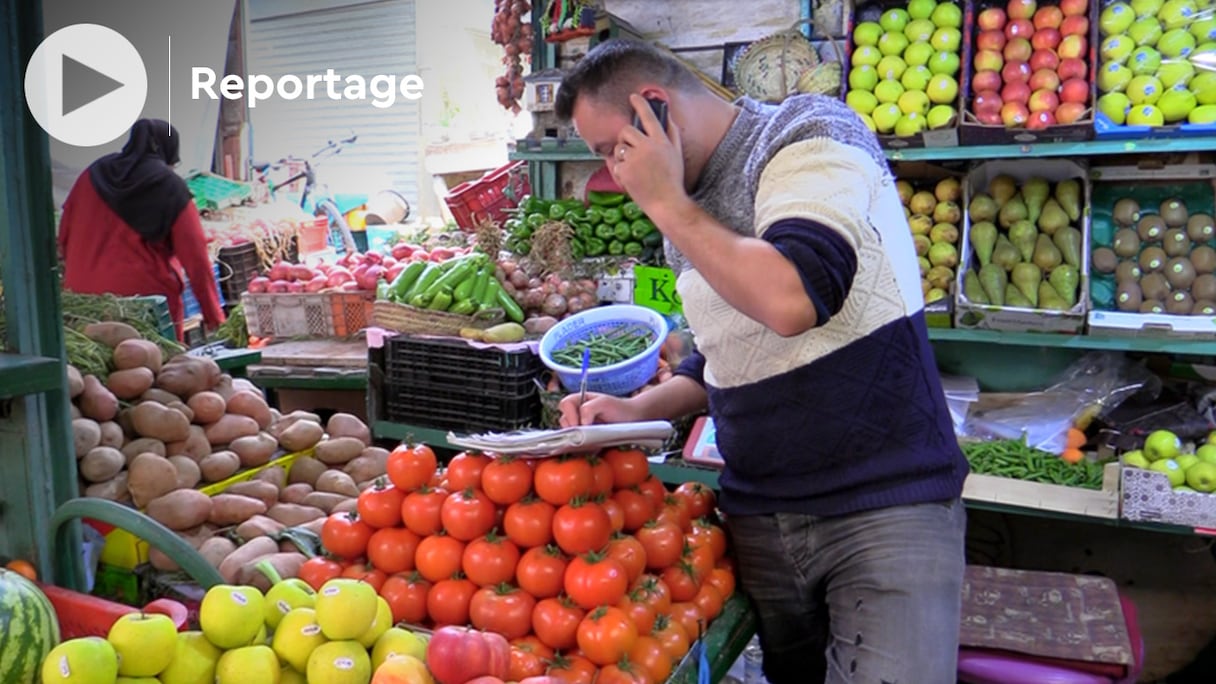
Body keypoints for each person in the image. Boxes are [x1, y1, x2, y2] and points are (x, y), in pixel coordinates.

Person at [554, 39, 970, 684]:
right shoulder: (685, 211)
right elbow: (724, 356)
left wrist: (667, 203)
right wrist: (634, 409)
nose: (614, 171)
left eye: (615, 149)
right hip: (764, 516)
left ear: (656, 110)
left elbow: (791, 297)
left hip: (885, 504)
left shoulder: (808, 133)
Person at [58, 118, 225, 342]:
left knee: (93, 371)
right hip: (143, 305)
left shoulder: (92, 174)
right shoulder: (170, 186)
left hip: (84, 300)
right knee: (154, 369)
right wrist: (214, 315)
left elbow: (64, 236)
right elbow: (196, 259)